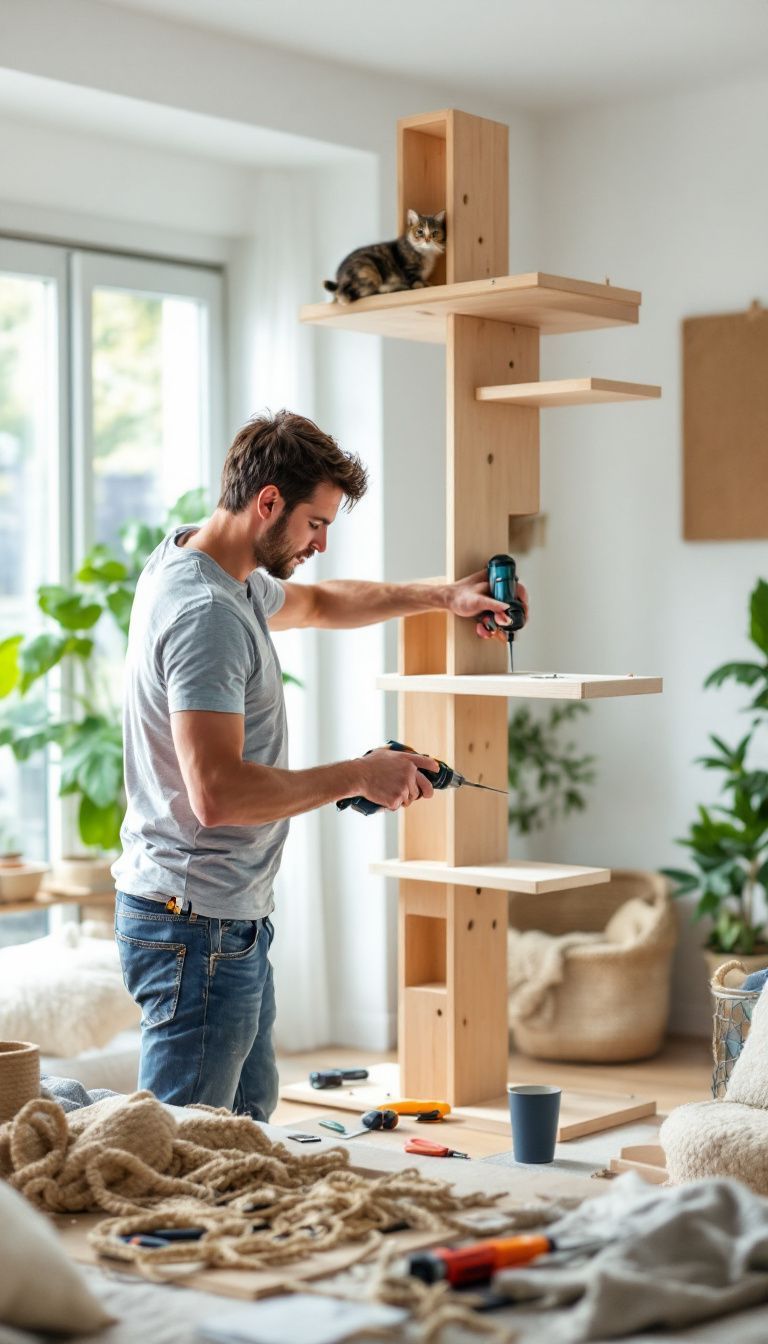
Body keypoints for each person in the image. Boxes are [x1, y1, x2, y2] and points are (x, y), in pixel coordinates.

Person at [113, 410, 525, 1121]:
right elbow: (216, 793)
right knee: (180, 1160)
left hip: (221, 917)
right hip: (197, 924)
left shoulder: (214, 566)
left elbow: (320, 603)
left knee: (242, 1139)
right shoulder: (204, 611)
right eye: (314, 524)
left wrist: (442, 596)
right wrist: (359, 775)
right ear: (267, 501)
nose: (321, 543)